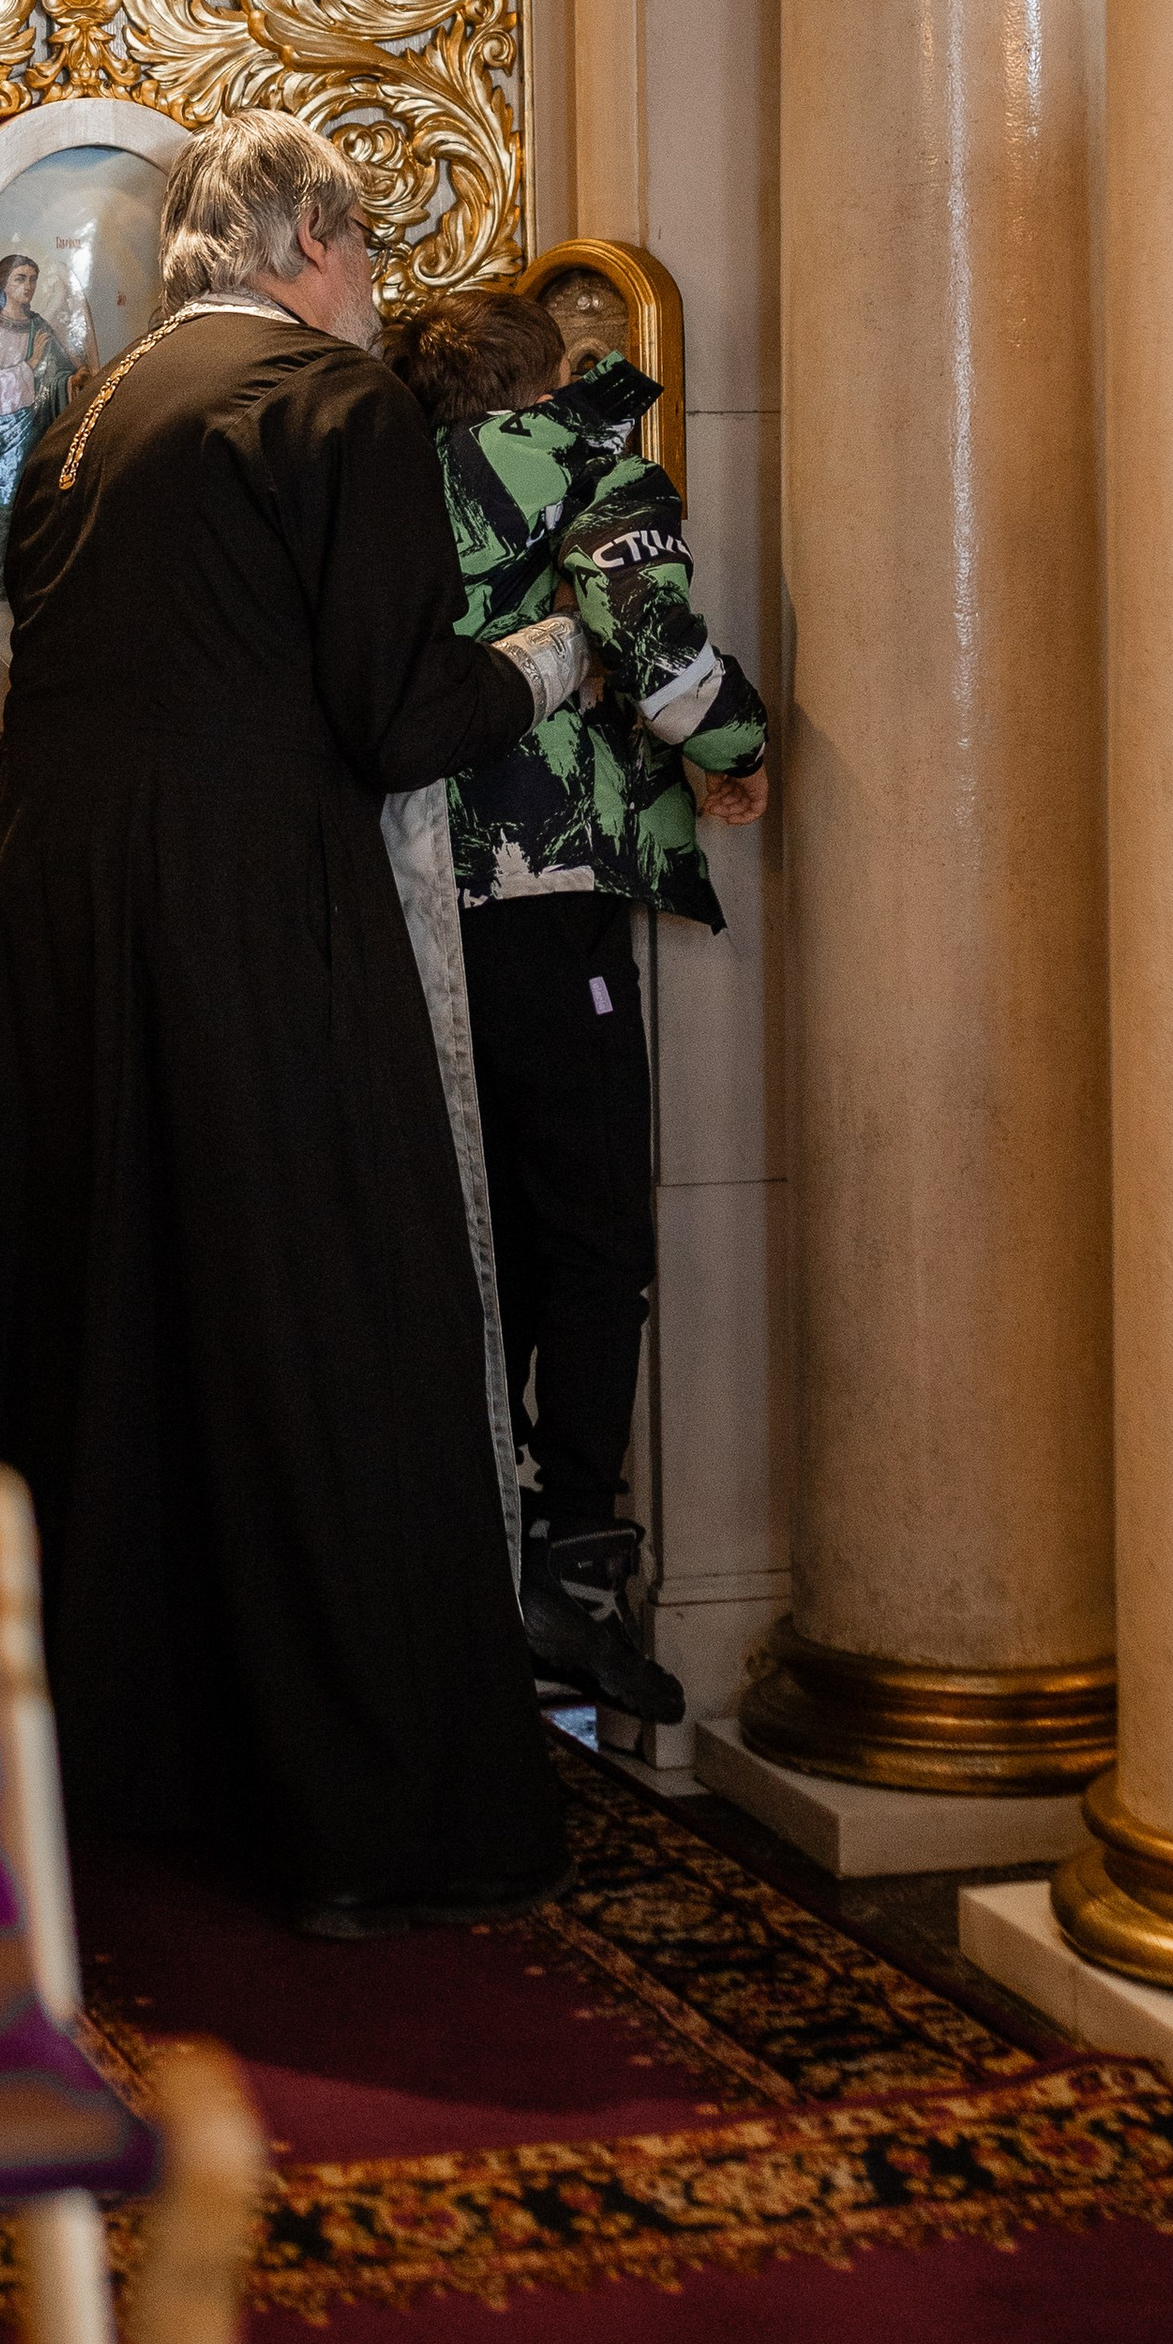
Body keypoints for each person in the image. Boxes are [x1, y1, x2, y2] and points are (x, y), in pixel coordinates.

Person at [0, 113, 588, 1935]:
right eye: (361, 258)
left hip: (74, 920)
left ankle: (124, 1773)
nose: (371, 297)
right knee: (324, 1319)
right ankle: (370, 1809)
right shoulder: (326, 404)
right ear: (303, 238)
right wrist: (545, 666)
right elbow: (391, 713)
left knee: (117, 1320)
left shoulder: (91, 414)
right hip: (251, 915)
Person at [386, 287, 770, 1729]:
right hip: (552, 894)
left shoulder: (386, 476)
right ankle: (575, 1577)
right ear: (547, 382)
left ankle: (463, 1562)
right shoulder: (592, 465)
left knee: (472, 1231)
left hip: (425, 891)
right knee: (597, 1233)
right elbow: (655, 648)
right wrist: (744, 739)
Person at [0, 252, 78, 603]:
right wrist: (29, 365)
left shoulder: (39, 327)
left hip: (36, 431)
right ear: (3, 285)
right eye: (20, 279)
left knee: (33, 505)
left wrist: (75, 379)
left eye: (32, 278)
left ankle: (27, 582)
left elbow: (61, 376)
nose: (28, 286)